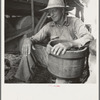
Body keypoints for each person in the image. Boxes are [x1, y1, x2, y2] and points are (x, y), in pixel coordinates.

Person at [15, 0, 93, 83]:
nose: (51, 14)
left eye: (54, 10)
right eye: (49, 11)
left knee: (61, 82)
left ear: (62, 10)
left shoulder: (75, 22)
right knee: (29, 49)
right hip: (52, 58)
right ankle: (22, 82)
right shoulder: (49, 26)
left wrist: (69, 44)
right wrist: (28, 40)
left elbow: (88, 37)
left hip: (68, 63)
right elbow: (35, 38)